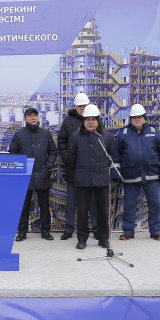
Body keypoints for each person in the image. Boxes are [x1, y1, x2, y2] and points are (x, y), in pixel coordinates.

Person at [112, 104, 160, 241]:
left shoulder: (154, 133)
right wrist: (116, 174)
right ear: (131, 119)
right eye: (134, 117)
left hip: (151, 175)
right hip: (130, 176)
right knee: (129, 206)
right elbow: (115, 155)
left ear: (144, 118)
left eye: (139, 117)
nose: (137, 119)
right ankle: (128, 231)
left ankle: (155, 232)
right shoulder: (123, 134)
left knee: (155, 205)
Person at [67, 104, 115, 249]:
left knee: (102, 211)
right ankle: (82, 239)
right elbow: (71, 158)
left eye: (93, 119)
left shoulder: (105, 136)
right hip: (83, 179)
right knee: (82, 211)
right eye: (88, 119)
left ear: (98, 121)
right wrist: (79, 170)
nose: (90, 122)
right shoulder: (76, 136)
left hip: (101, 179)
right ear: (84, 121)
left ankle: (103, 238)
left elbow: (112, 155)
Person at [9, 107, 58, 241]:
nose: (33, 118)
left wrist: (48, 166)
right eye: (30, 115)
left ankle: (45, 231)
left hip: (42, 174)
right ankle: (22, 232)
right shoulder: (19, 135)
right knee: (24, 205)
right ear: (25, 118)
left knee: (44, 205)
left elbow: (53, 152)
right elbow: (12, 153)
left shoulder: (45, 134)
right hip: (25, 176)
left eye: (35, 115)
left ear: (38, 117)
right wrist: (21, 167)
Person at [58, 92, 98, 240]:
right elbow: (61, 142)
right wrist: (68, 158)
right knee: (72, 201)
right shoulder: (68, 123)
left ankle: (96, 228)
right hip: (74, 169)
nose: (82, 108)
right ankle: (69, 229)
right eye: (80, 106)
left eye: (84, 105)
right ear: (76, 107)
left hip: (91, 169)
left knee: (93, 201)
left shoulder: (94, 120)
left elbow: (101, 141)